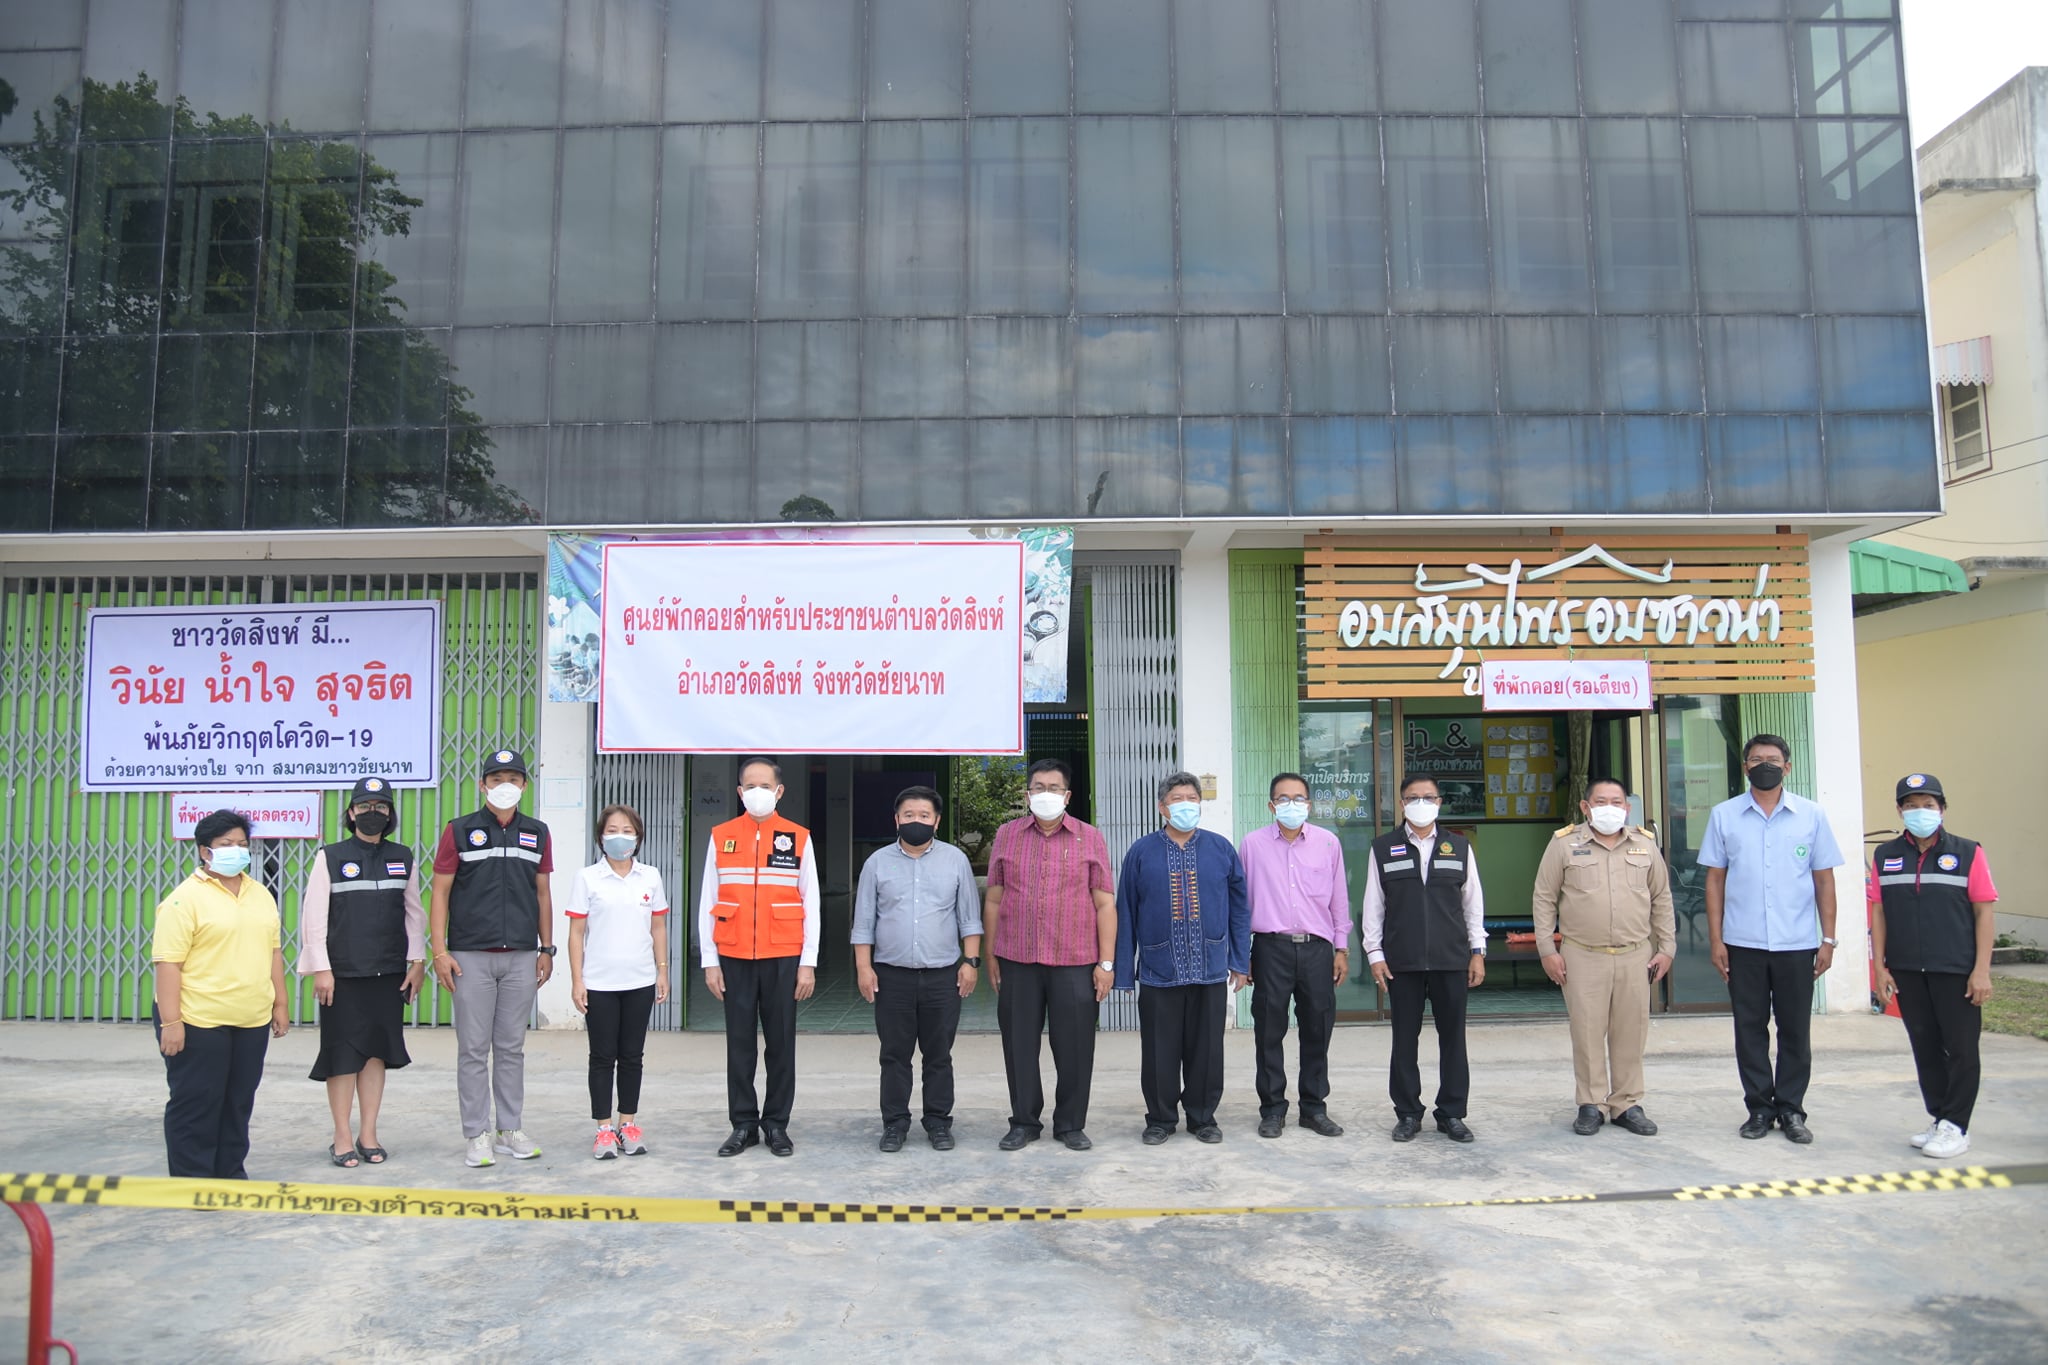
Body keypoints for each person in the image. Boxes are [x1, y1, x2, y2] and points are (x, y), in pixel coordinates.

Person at [1701, 733, 1844, 1144]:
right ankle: (1759, 1109)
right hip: (1742, 944)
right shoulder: (1724, 816)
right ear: (1745, 767)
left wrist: (1828, 939)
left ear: (1788, 766)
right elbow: (1715, 880)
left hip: (1797, 943)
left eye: (1773, 758)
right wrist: (1716, 939)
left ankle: (1792, 1110)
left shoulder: (1811, 815)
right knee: (1750, 1030)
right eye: (1756, 759)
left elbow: (1824, 880)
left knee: (1795, 1031)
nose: (1765, 764)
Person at [429, 747, 555, 1168]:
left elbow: (543, 894)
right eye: (496, 779)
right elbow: (441, 893)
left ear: (524, 785)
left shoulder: (537, 832)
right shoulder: (460, 830)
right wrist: (439, 951)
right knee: (472, 1048)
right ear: (482, 784)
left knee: (511, 1047)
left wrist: (546, 948)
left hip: (520, 955)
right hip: (470, 956)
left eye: (513, 779)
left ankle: (509, 1129)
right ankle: (476, 1134)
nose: (505, 786)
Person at [984, 758, 1116, 1152]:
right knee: (1019, 1045)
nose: (1045, 794)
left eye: (1054, 788)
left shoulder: (1090, 837)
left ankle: (1070, 1123)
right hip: (1017, 958)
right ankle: (1024, 1121)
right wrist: (990, 955)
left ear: (1067, 795)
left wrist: (1105, 963)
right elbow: (993, 899)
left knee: (1075, 1046)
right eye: (1038, 787)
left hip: (1075, 960)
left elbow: (1105, 904)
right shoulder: (1007, 835)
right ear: (1027, 794)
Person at [1531, 778, 1676, 1138]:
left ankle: (1627, 1103)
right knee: (1587, 1031)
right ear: (1585, 807)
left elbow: (1662, 898)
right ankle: (1591, 1103)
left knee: (1631, 1031)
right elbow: (1544, 898)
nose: (1609, 807)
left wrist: (1667, 947)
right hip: (1582, 954)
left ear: (1627, 808)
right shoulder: (1564, 844)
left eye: (1616, 801)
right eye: (1601, 801)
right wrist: (1547, 949)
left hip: (1634, 954)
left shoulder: (1644, 844)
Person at [1113, 770, 1251, 1145]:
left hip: (1209, 968)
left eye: (1192, 798)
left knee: (1207, 1050)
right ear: (1162, 807)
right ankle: (1160, 1119)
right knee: (1159, 1051)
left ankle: (1203, 1117)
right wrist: (1123, 972)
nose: (1186, 805)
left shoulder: (1221, 849)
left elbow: (1240, 908)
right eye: (1177, 799)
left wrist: (1240, 960)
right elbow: (1125, 911)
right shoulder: (1141, 852)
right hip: (1160, 970)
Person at [151, 809, 290, 1179]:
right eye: (226, 844)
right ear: (204, 851)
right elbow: (168, 965)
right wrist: (171, 1022)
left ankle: (230, 1175)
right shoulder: (183, 901)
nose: (237, 851)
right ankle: (192, 1181)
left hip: (251, 1017)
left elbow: (273, 951)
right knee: (196, 1103)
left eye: (243, 845)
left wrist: (281, 1002)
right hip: (198, 1018)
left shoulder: (260, 894)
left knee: (237, 1102)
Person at [296, 776, 425, 1168]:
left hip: (388, 975)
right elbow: (314, 917)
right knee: (343, 1057)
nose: (373, 814)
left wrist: (417, 962)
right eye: (365, 807)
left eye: (381, 807)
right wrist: (321, 968)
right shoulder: (330, 856)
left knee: (375, 1056)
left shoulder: (403, 856)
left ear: (391, 815)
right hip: (343, 977)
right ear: (351, 813)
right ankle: (340, 1136)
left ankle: (368, 1133)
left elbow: (414, 915)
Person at [1869, 773, 1998, 1161]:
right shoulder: (1885, 855)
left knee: (1960, 1049)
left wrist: (1982, 970)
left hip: (1956, 969)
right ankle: (1940, 1118)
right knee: (1924, 1047)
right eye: (1910, 805)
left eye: (1927, 804)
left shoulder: (1968, 852)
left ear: (1942, 808)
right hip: (1907, 969)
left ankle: (1957, 1126)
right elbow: (1878, 912)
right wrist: (1880, 968)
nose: (1919, 812)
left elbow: (1984, 912)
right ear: (1898, 810)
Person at [699, 756, 819, 1158]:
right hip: (734, 955)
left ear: (779, 791)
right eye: (749, 786)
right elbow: (707, 902)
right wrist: (710, 962)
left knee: (781, 1044)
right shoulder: (722, 835)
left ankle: (777, 1125)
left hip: (784, 955)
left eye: (764, 786)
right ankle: (744, 1125)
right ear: (739, 792)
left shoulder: (798, 837)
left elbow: (812, 904)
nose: (757, 792)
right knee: (740, 1045)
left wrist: (808, 962)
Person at [852, 786, 983, 1152]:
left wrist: (970, 963)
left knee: (938, 1053)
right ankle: (894, 1123)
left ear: (936, 821)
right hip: (891, 975)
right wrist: (864, 967)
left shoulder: (955, 860)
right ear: (896, 820)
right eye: (908, 815)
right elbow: (863, 922)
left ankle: (938, 1122)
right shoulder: (877, 863)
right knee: (894, 1054)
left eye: (924, 816)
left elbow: (969, 919)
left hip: (942, 975)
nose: (916, 821)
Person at [1363, 774, 1487, 1143]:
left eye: (1428, 796)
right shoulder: (1383, 848)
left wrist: (1477, 952)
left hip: (1452, 960)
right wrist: (1374, 953)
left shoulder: (1459, 847)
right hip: (1402, 962)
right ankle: (1407, 1113)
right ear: (1401, 804)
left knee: (1453, 1040)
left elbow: (1473, 906)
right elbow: (1374, 907)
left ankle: (1452, 1113)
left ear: (1439, 802)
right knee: (1404, 1040)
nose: (1421, 802)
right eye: (1413, 797)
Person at [1239, 772, 1350, 1140]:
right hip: (1271, 948)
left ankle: (1314, 1108)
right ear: (1271, 805)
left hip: (1318, 949)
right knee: (1269, 1030)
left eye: (1298, 798)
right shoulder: (1252, 845)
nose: (1291, 805)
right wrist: (1244, 954)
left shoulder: (1328, 843)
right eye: (1283, 799)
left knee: (1317, 1030)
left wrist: (1341, 948)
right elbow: (1241, 904)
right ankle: (1272, 1110)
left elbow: (1338, 899)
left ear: (1309, 803)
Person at [568, 804, 670, 1161]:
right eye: (612, 830)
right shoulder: (587, 878)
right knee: (601, 1057)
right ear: (600, 836)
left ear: (638, 836)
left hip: (640, 980)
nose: (620, 836)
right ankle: (603, 1129)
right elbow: (576, 932)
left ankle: (628, 1124)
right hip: (599, 983)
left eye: (627, 830)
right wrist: (578, 980)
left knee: (632, 1056)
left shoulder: (651, 877)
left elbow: (658, 926)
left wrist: (662, 970)